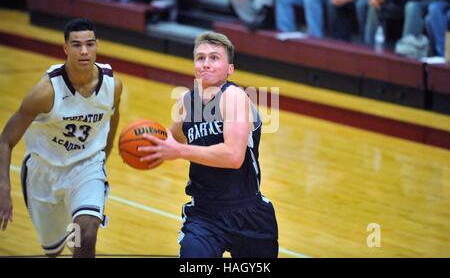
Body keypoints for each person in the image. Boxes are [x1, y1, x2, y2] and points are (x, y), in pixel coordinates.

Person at [138, 31, 279, 258]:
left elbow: (234, 156)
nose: (206, 63)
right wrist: (147, 141)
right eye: (200, 58)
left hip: (248, 212)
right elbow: (173, 138)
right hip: (204, 214)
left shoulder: (234, 97)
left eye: (214, 58)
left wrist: (179, 151)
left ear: (229, 68)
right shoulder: (187, 102)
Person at [0, 18, 122, 258]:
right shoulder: (45, 92)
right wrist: (3, 188)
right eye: (76, 45)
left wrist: (100, 162)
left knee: (86, 235)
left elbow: (113, 116)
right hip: (44, 173)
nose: (84, 51)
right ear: (66, 49)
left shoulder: (113, 85)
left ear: (97, 45)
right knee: (53, 251)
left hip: (86, 168)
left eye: (89, 44)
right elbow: (5, 140)